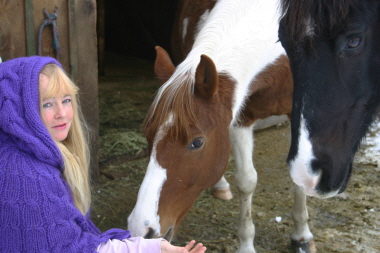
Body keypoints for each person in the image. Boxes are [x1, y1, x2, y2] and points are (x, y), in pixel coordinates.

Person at [0, 56, 207, 253]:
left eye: (66, 100)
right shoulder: (27, 177)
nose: (61, 113)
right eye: (46, 104)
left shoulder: (25, 156)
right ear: (22, 111)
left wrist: (154, 247)